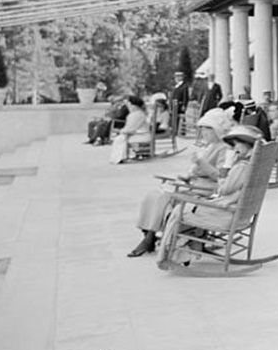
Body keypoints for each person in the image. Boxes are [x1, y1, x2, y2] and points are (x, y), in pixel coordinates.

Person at [127, 107, 235, 257]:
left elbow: (221, 177)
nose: (203, 133)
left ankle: (149, 238)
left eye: (207, 130)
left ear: (217, 130)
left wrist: (201, 162)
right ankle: (148, 234)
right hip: (195, 184)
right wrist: (189, 176)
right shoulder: (210, 146)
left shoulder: (224, 149)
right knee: (153, 195)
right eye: (202, 130)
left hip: (206, 190)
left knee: (164, 197)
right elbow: (199, 170)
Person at [156, 124, 265, 269]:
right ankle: (189, 247)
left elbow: (223, 190)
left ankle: (169, 255)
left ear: (249, 145)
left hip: (226, 216)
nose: (234, 148)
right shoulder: (255, 166)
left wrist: (227, 166)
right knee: (187, 207)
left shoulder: (242, 167)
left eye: (238, 144)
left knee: (179, 210)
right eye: (233, 145)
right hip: (241, 216)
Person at [109, 95, 151, 164]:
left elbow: (131, 128)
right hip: (138, 133)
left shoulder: (137, 114)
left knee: (119, 139)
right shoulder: (136, 113)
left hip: (141, 135)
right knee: (120, 138)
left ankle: (120, 158)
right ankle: (120, 157)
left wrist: (121, 131)